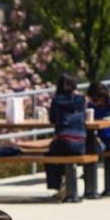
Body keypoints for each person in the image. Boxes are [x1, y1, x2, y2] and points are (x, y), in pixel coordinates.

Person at [44, 75, 92, 203]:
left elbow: (52, 119)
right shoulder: (81, 99)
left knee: (49, 154)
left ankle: (57, 185)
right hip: (81, 143)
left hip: (63, 141)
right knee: (59, 151)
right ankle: (68, 183)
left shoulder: (57, 100)